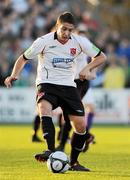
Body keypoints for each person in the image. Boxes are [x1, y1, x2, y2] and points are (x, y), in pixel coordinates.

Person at [4, 12, 106, 171]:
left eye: (70, 30)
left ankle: (74, 163)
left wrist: (87, 68)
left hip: (68, 85)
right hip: (46, 83)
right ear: (57, 26)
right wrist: (13, 75)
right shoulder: (43, 41)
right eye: (64, 29)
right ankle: (50, 149)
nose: (66, 33)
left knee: (80, 125)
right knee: (44, 109)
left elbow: (101, 57)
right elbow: (23, 58)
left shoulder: (79, 41)